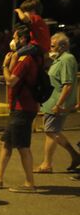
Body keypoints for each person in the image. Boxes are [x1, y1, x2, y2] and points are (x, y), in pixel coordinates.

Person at [0, 25, 39, 193]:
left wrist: (5, 66)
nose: (12, 41)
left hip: (23, 108)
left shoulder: (25, 59)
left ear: (22, 39)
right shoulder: (25, 57)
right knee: (6, 142)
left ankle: (30, 184)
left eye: (15, 37)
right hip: (18, 107)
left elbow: (11, 80)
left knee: (23, 147)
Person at [33, 32, 80, 173]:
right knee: (53, 131)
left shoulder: (66, 59)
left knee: (51, 131)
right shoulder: (60, 59)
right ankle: (74, 156)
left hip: (57, 103)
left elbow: (68, 84)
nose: (50, 49)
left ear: (63, 46)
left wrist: (59, 104)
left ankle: (48, 164)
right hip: (53, 101)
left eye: (53, 46)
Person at [11, 0, 50, 68]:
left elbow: (23, 18)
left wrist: (19, 11)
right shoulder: (38, 21)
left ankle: (9, 74)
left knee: (15, 55)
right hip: (42, 47)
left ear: (33, 11)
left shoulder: (35, 17)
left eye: (25, 11)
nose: (24, 13)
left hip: (37, 45)